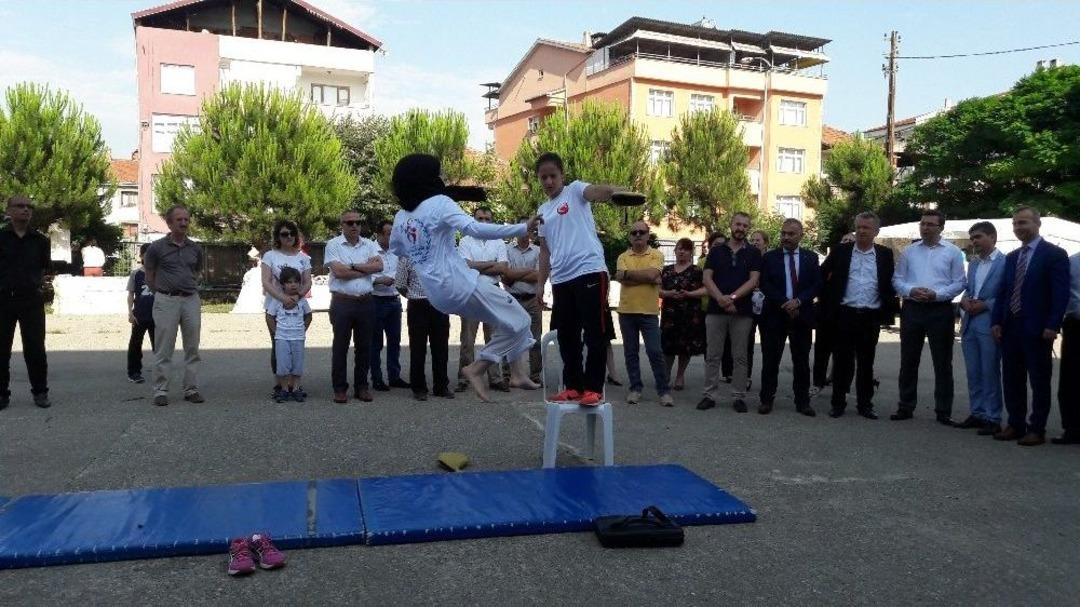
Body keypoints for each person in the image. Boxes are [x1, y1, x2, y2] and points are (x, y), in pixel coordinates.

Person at [389, 154, 540, 402]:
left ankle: (517, 373)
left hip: (436, 296)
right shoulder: (440, 203)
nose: (443, 177)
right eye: (439, 172)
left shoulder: (401, 217)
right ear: (427, 178)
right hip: (460, 284)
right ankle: (477, 368)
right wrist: (522, 228)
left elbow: (397, 248)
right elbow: (475, 228)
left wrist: (423, 255)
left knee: (507, 321)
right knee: (522, 320)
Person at [534, 152, 630, 407]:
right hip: (561, 279)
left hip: (589, 271)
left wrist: (614, 191)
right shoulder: (543, 210)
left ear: (562, 176)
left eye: (553, 176)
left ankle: (593, 388)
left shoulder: (575, 191)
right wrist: (540, 285)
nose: (548, 181)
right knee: (566, 334)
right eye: (543, 177)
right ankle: (573, 386)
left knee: (594, 331)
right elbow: (544, 250)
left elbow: (595, 192)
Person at [991, 207, 1070, 446]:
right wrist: (996, 321)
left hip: (1038, 329)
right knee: (1012, 379)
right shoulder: (1012, 256)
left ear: (1037, 224)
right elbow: (1003, 292)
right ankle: (1015, 424)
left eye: (1023, 223)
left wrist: (1052, 324)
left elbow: (1060, 293)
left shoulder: (1054, 254)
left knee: (1039, 380)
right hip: (1011, 326)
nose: (1018, 228)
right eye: (1015, 224)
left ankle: (1037, 428)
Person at [891, 209, 967, 424]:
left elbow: (960, 282)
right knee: (908, 360)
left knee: (943, 362)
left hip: (940, 310)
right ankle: (905, 405)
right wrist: (911, 290)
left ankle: (943, 410)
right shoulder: (909, 252)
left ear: (941, 227)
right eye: (923, 224)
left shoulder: (952, 252)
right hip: (913, 309)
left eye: (930, 224)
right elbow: (897, 279)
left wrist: (938, 295)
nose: (925, 227)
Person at [820, 212, 898, 419]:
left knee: (866, 363)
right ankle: (838, 403)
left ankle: (865, 404)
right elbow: (822, 275)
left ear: (876, 232)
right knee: (842, 362)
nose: (862, 231)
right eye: (859, 227)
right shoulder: (841, 251)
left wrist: (889, 310)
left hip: (870, 316)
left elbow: (889, 283)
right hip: (845, 313)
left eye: (866, 228)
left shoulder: (884, 255)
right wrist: (828, 303)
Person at [757, 219, 821, 416]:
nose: (785, 237)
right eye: (783, 233)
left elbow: (816, 284)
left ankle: (802, 402)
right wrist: (785, 302)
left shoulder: (811, 258)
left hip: (802, 315)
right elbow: (765, 284)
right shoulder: (769, 257)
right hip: (775, 315)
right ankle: (766, 400)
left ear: (801, 236)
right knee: (770, 360)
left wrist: (799, 301)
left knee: (801, 361)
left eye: (791, 234)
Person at [699, 212, 761, 412]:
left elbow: (753, 281)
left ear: (748, 228)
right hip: (716, 310)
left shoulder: (753, 253)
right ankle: (709, 394)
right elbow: (707, 279)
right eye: (738, 224)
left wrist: (732, 298)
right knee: (713, 355)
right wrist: (720, 299)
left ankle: (738, 396)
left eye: (744, 225)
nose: (740, 228)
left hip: (742, 312)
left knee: (740, 356)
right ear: (731, 225)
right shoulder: (716, 251)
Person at [145, 205, 204, 407]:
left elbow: (196, 271)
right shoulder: (156, 248)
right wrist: (161, 293)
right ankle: (160, 391)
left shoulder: (195, 248)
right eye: (179, 220)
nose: (183, 223)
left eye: (186, 219)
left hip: (190, 300)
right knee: (163, 348)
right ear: (169, 223)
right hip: (166, 300)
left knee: (192, 347)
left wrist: (186, 287)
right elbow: (149, 273)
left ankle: (191, 388)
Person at [324, 210, 383, 404]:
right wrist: (364, 268)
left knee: (364, 347)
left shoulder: (369, 244)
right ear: (342, 225)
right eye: (349, 223)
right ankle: (340, 388)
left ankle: (362, 387)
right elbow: (339, 272)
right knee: (340, 347)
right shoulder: (333, 245)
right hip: (342, 301)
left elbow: (379, 266)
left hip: (365, 301)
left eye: (358, 222)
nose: (354, 226)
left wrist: (351, 266)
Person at [0, 195, 51, 409]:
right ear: (9, 210)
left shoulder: (41, 241)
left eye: (29, 207)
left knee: (35, 348)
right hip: (3, 299)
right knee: (1, 349)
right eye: (20, 206)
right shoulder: (1, 238)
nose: (26, 210)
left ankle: (40, 392)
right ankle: (2, 395)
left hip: (31, 299)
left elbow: (44, 269)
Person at [615, 220, 671, 406]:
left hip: (649, 313)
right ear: (630, 237)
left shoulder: (657, 255)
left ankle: (663, 391)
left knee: (655, 352)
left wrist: (628, 276)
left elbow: (646, 276)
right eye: (634, 232)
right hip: (626, 312)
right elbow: (644, 277)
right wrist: (648, 277)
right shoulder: (622, 256)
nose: (638, 235)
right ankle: (635, 388)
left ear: (648, 235)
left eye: (641, 232)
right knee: (631, 353)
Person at [957, 222, 1006, 434]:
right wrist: (964, 301)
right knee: (973, 371)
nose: (974, 241)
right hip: (970, 321)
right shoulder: (974, 263)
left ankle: (993, 417)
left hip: (989, 321)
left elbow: (1008, 293)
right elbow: (969, 289)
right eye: (972, 238)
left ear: (992, 237)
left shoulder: (1005, 262)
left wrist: (987, 304)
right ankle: (977, 412)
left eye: (978, 237)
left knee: (990, 371)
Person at [456, 206, 510, 393]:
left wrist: (478, 267)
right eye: (480, 218)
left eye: (487, 219)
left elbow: (502, 268)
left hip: (493, 292)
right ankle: (464, 377)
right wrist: (491, 264)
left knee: (494, 337)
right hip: (471, 292)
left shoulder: (499, 242)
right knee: (467, 339)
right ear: (474, 220)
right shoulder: (465, 241)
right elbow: (466, 266)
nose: (484, 222)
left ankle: (495, 378)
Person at [261, 220, 311, 397]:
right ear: (278, 237)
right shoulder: (270, 256)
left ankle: (295, 384)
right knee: (278, 344)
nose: (288, 237)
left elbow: (307, 281)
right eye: (284, 234)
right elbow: (266, 282)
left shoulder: (303, 258)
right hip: (275, 306)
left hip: (297, 306)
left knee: (295, 346)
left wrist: (297, 298)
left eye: (291, 233)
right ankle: (280, 384)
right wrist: (283, 299)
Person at [396, 255, 453, 401]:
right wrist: (414, 296)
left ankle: (441, 386)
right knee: (417, 349)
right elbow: (400, 284)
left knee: (441, 348)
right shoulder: (407, 256)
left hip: (440, 304)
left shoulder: (442, 254)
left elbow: (451, 278)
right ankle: (419, 388)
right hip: (418, 305)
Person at [811, 232, 856, 396]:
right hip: (827, 313)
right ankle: (817, 382)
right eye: (845, 240)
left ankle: (843, 385)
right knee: (822, 351)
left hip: (848, 314)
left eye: (851, 241)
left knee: (847, 354)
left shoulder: (857, 263)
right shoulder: (832, 260)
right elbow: (819, 281)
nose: (847, 243)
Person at [660, 238, 706, 392]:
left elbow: (706, 290)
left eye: (685, 249)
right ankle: (665, 374)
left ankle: (680, 376)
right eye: (679, 248)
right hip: (669, 315)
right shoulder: (666, 270)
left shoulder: (697, 271)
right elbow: (657, 290)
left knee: (685, 347)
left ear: (690, 252)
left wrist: (689, 294)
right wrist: (668, 293)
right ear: (675, 251)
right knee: (668, 346)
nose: (681, 251)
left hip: (689, 314)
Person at [370, 219, 410, 392]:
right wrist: (379, 280)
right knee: (375, 343)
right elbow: (363, 274)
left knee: (395, 341)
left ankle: (394, 376)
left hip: (394, 299)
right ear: (379, 234)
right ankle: (377, 379)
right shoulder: (369, 249)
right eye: (389, 234)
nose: (393, 237)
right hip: (376, 299)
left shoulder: (397, 250)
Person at [502, 216, 543, 384]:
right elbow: (506, 277)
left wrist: (516, 273)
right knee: (509, 337)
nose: (526, 233)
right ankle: (507, 375)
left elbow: (539, 276)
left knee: (535, 339)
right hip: (512, 299)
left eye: (529, 230)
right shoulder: (506, 250)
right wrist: (527, 272)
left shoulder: (539, 251)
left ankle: (535, 375)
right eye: (522, 229)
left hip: (532, 300)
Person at [267, 267, 312, 403]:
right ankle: (285, 389)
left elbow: (309, 316)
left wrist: (302, 330)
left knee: (297, 363)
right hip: (282, 338)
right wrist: (276, 332)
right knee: (282, 364)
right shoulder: (277, 301)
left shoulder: (303, 301)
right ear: (282, 284)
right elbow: (269, 316)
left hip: (298, 338)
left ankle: (296, 388)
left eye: (296, 282)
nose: (293, 285)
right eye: (289, 282)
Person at [1053, 251, 1080, 444]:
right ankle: (1071, 428)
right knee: (1071, 379)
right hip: (1076, 325)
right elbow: (1062, 293)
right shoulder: (1072, 261)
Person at [126, 242, 155, 384]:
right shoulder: (136, 274)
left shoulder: (160, 274)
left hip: (157, 314)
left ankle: (161, 371)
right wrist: (130, 313)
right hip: (140, 315)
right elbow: (131, 294)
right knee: (135, 345)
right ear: (141, 256)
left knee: (160, 345)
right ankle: (134, 372)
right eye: (147, 255)